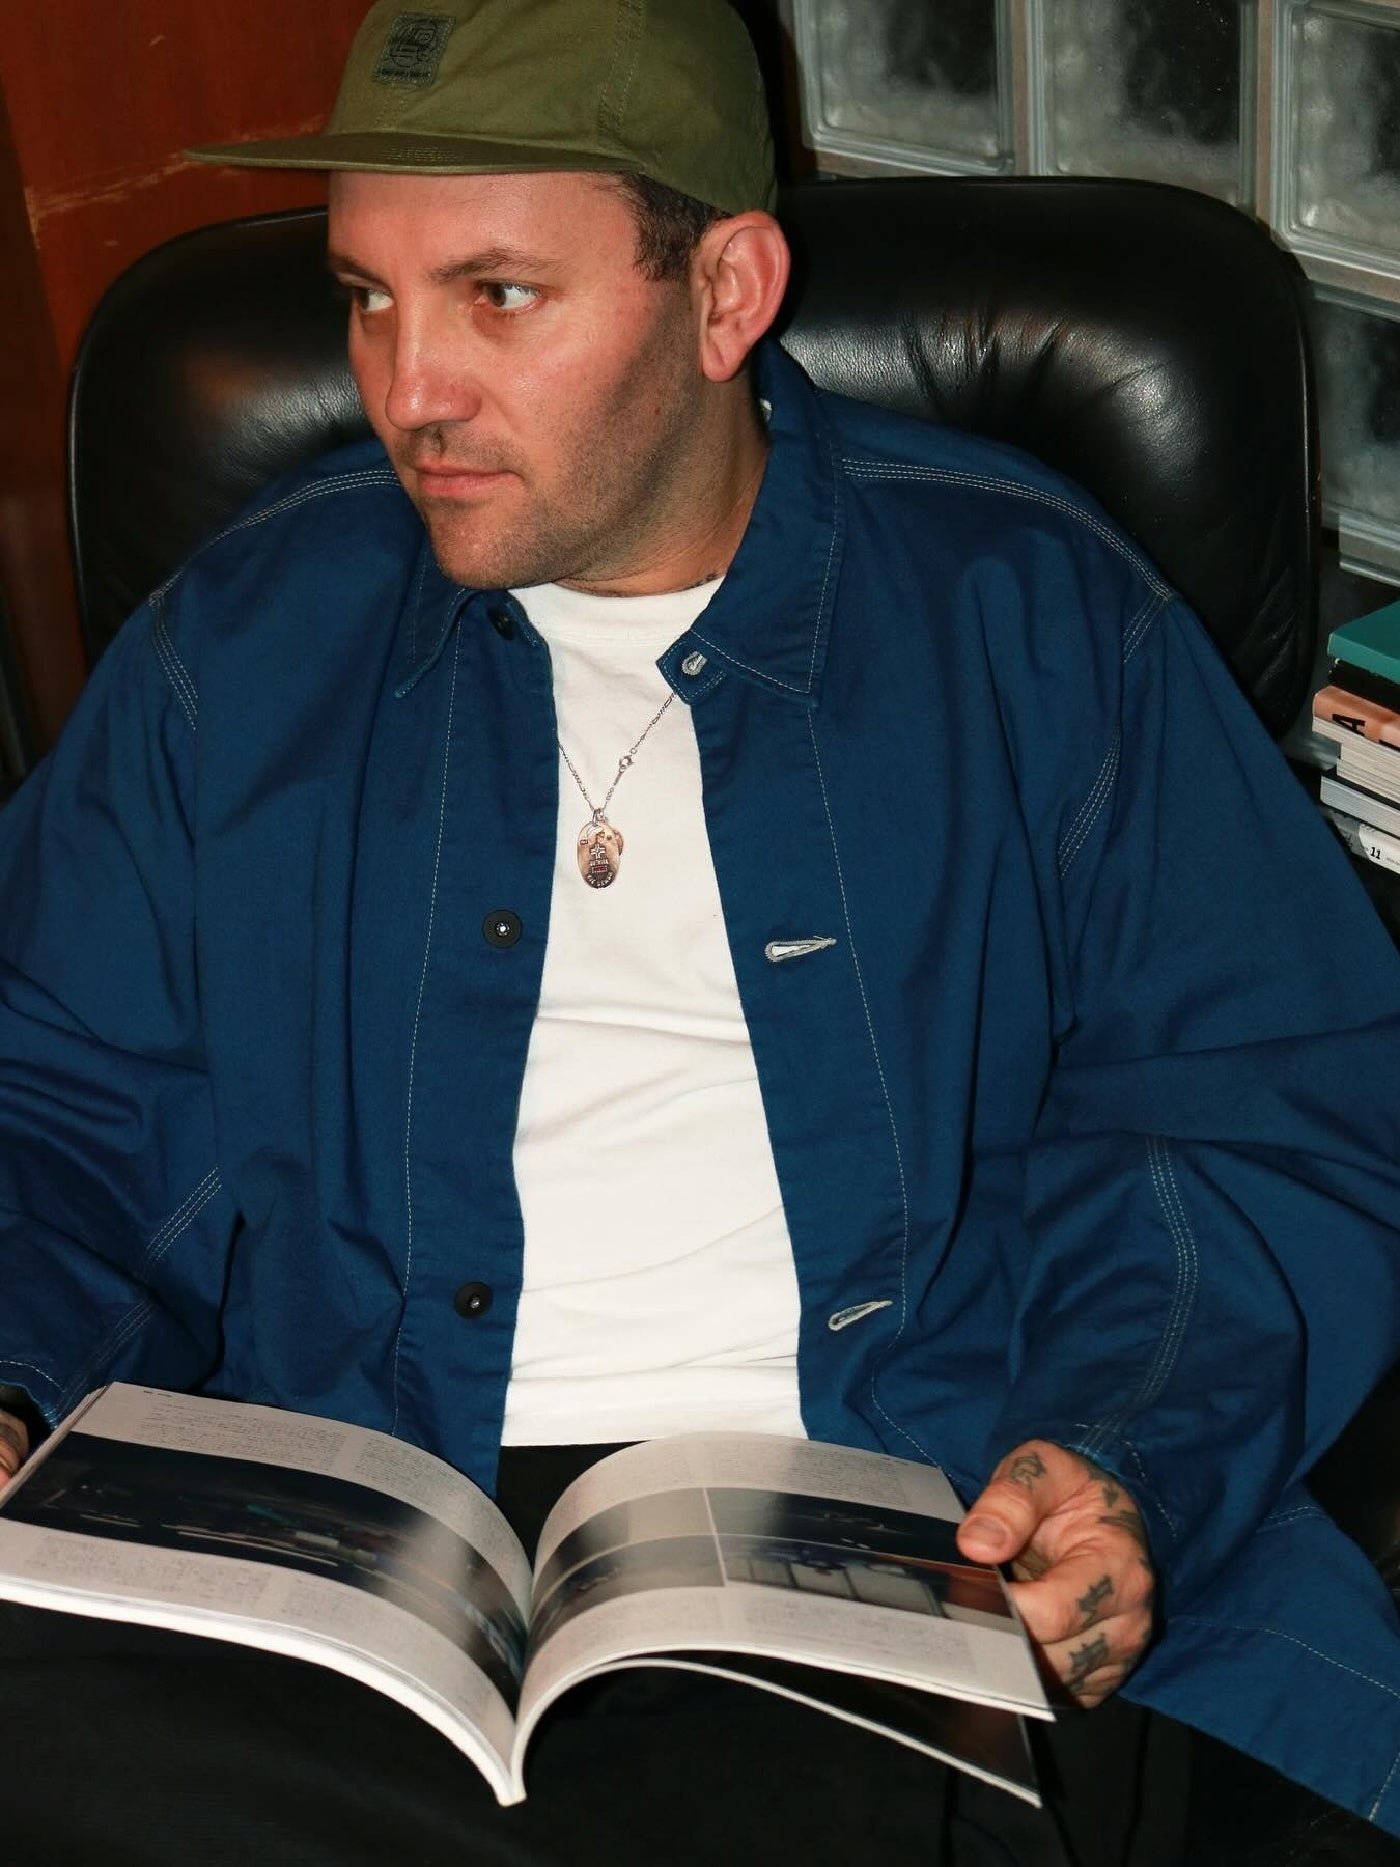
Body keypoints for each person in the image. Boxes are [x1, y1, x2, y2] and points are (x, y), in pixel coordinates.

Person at [1, 0, 1398, 1859]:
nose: (407, 390)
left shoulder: (1025, 616)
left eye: (498, 298)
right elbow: (51, 1099)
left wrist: (1126, 1451)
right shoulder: (247, 642)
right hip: (343, 1528)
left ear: (726, 292)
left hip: (857, 1527)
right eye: (366, 299)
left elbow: (1258, 1103)